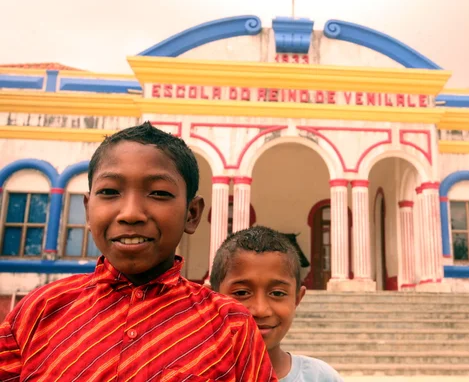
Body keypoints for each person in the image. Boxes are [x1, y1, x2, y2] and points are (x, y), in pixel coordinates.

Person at [0, 122, 277, 381]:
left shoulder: (230, 325)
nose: (130, 214)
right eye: (109, 191)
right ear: (87, 210)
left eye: (158, 193)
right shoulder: (40, 310)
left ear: (192, 214)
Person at [211, 225, 344, 382]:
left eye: (277, 293)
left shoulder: (320, 377)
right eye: (241, 293)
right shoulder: (190, 374)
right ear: (211, 299)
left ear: (297, 299)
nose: (260, 310)